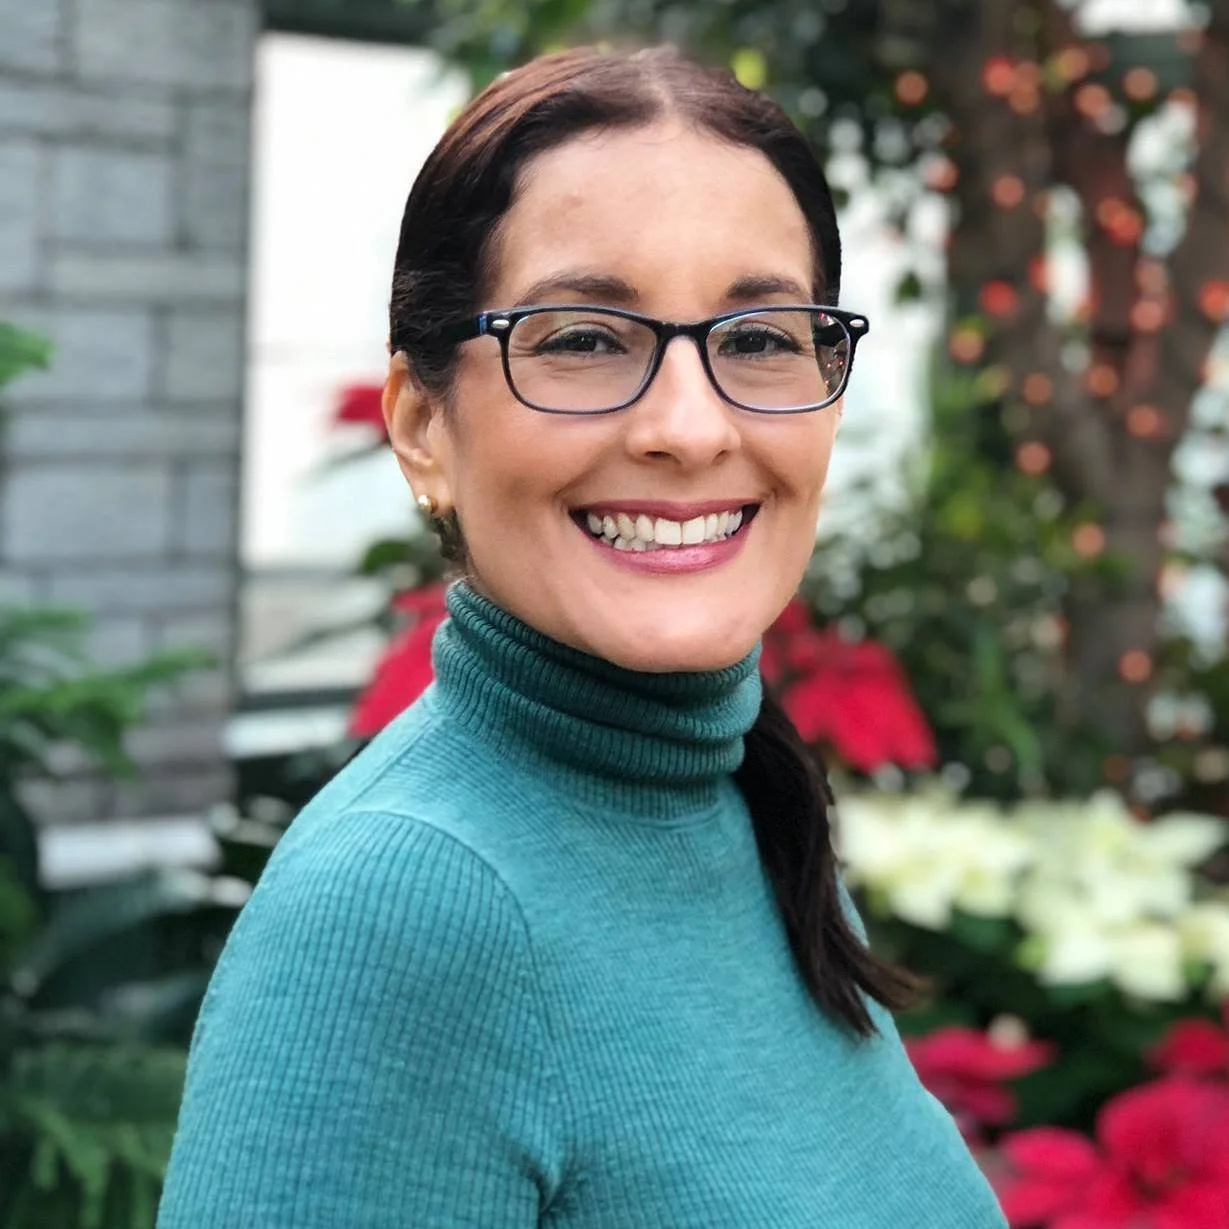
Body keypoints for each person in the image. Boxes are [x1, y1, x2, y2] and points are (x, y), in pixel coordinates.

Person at [158, 44, 1006, 1228]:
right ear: (420, 428)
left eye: (758, 339)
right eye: (580, 339)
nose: (687, 425)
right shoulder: (403, 906)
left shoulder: (740, 806)